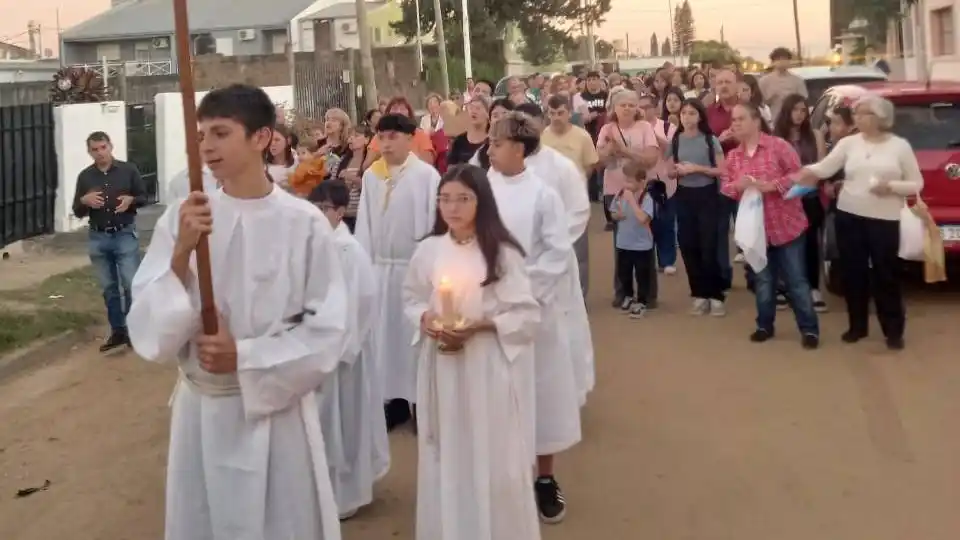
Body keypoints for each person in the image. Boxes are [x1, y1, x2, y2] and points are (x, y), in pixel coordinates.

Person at [126, 84, 346, 540]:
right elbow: (149, 320)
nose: (206, 145)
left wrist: (244, 357)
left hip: (273, 415)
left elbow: (327, 330)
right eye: (202, 133)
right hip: (202, 413)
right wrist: (183, 252)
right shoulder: (187, 217)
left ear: (262, 137)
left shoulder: (303, 224)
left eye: (221, 132)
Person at [403, 164, 541, 540]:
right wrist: (427, 318)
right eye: (445, 198)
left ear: (482, 202)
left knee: (490, 454)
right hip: (441, 366)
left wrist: (479, 326)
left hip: (484, 365)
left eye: (463, 198)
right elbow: (411, 298)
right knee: (447, 454)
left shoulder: (502, 253)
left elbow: (527, 314)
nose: (453, 207)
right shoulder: (429, 250)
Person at [485, 112, 580, 524]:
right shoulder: (478, 190)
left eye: (496, 143)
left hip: (532, 310)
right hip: (487, 310)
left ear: (519, 149)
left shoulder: (544, 195)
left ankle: (544, 479)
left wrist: (520, 291)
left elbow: (557, 253)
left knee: (539, 394)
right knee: (498, 396)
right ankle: (503, 478)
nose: (488, 150)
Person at [793, 95, 921, 350]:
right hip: (849, 215)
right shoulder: (849, 144)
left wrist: (892, 186)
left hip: (885, 219)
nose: (858, 118)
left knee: (886, 275)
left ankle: (893, 330)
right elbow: (826, 166)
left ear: (880, 118)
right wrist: (806, 173)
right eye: (857, 113)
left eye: (864, 113)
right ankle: (857, 326)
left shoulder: (899, 147)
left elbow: (916, 183)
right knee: (853, 273)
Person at [308, 180, 389, 521]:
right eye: (313, 207)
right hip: (314, 350)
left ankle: (346, 493)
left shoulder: (348, 251)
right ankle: (319, 490)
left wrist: (338, 350)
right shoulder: (313, 245)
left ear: (340, 212)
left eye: (323, 208)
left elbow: (361, 304)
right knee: (320, 426)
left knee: (344, 422)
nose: (316, 214)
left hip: (343, 354)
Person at [355, 113, 442, 430]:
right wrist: (363, 266)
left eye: (393, 136)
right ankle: (394, 402)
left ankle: (420, 403)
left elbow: (433, 222)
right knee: (384, 338)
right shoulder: (372, 176)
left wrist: (428, 268)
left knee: (412, 340)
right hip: (380, 268)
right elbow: (363, 223)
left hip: (411, 268)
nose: (386, 143)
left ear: (410, 138)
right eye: (381, 137)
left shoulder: (425, 176)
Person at [721, 103, 820, 349]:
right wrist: (738, 187)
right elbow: (725, 186)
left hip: (787, 226)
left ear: (756, 121)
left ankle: (809, 329)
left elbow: (801, 176)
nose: (735, 124)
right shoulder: (733, 156)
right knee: (763, 280)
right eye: (733, 120)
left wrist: (773, 185)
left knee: (797, 281)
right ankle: (764, 324)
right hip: (757, 232)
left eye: (741, 118)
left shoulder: (779, 146)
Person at [516, 102, 595, 407]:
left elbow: (577, 211)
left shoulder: (560, 166)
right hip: (515, 264)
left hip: (554, 264)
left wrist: (551, 250)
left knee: (561, 330)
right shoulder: (500, 166)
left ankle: (568, 394)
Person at [72, 131, 146, 353]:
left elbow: (145, 197)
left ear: (110, 146)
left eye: (103, 147)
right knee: (109, 288)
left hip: (124, 233)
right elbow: (77, 211)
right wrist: (84, 201)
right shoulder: (85, 177)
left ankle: (135, 332)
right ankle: (118, 331)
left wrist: (132, 200)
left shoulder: (128, 170)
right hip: (98, 237)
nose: (100, 153)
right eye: (95, 149)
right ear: (89, 152)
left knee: (131, 284)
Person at [597, 90, 660, 305]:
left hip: (642, 191)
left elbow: (651, 159)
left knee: (645, 239)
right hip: (614, 190)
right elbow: (599, 160)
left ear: (637, 108)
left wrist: (625, 150)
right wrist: (609, 151)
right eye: (622, 105)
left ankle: (647, 293)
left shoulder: (645, 128)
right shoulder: (607, 129)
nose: (627, 108)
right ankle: (622, 291)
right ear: (614, 108)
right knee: (620, 243)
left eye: (631, 105)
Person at [667, 99, 727, 316]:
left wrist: (696, 168)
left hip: (708, 195)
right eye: (684, 113)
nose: (687, 117)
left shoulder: (710, 140)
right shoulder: (675, 141)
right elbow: (669, 171)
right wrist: (677, 171)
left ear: (700, 116)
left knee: (709, 245)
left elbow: (722, 170)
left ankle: (716, 294)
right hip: (684, 195)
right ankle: (699, 293)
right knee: (688, 245)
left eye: (692, 113)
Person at [773, 93, 828, 312]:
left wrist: (808, 180)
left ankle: (813, 288)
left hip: (809, 196)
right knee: (783, 244)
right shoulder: (775, 138)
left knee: (811, 245)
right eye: (795, 110)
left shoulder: (815, 135)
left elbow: (822, 165)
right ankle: (783, 287)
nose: (799, 114)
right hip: (783, 199)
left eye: (803, 110)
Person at [706, 68, 742, 290]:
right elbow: (704, 143)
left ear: (737, 84)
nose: (724, 86)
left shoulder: (748, 110)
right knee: (719, 230)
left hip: (748, 177)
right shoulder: (709, 112)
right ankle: (722, 277)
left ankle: (757, 277)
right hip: (720, 178)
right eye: (720, 82)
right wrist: (719, 140)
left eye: (728, 81)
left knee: (750, 227)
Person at [609, 161, 656, 318]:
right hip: (623, 242)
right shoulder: (620, 194)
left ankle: (642, 301)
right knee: (624, 273)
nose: (626, 184)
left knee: (642, 275)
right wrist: (617, 215)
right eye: (625, 180)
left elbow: (644, 218)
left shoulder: (647, 197)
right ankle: (628, 295)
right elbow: (613, 212)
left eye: (630, 181)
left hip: (642, 245)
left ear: (641, 181)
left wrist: (632, 201)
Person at [363, 97, 436, 169]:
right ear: (388, 113)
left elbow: (428, 163)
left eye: (402, 109)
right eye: (394, 108)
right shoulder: (380, 136)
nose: (398, 112)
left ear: (409, 113)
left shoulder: (420, 134)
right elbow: (366, 167)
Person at [337, 126, 371, 233]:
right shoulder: (342, 161)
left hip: (361, 216)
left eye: (356, 136)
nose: (351, 139)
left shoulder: (370, 162)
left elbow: (371, 187)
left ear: (367, 140)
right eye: (350, 137)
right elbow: (333, 186)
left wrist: (352, 178)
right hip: (343, 215)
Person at [759, 47, 807, 121]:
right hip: (774, 121)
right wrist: (771, 98)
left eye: (785, 58)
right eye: (778, 59)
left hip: (794, 121)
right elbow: (760, 104)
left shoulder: (797, 81)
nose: (782, 61)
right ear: (773, 62)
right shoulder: (764, 81)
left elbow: (804, 101)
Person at [447, 95, 490, 166]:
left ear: (488, 113)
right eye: (471, 108)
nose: (474, 111)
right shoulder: (459, 140)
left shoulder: (493, 141)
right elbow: (451, 167)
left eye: (478, 108)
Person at [266, 123, 297, 187]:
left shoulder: (297, 162)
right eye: (270, 140)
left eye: (277, 140)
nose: (272, 144)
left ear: (288, 141)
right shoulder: (263, 167)